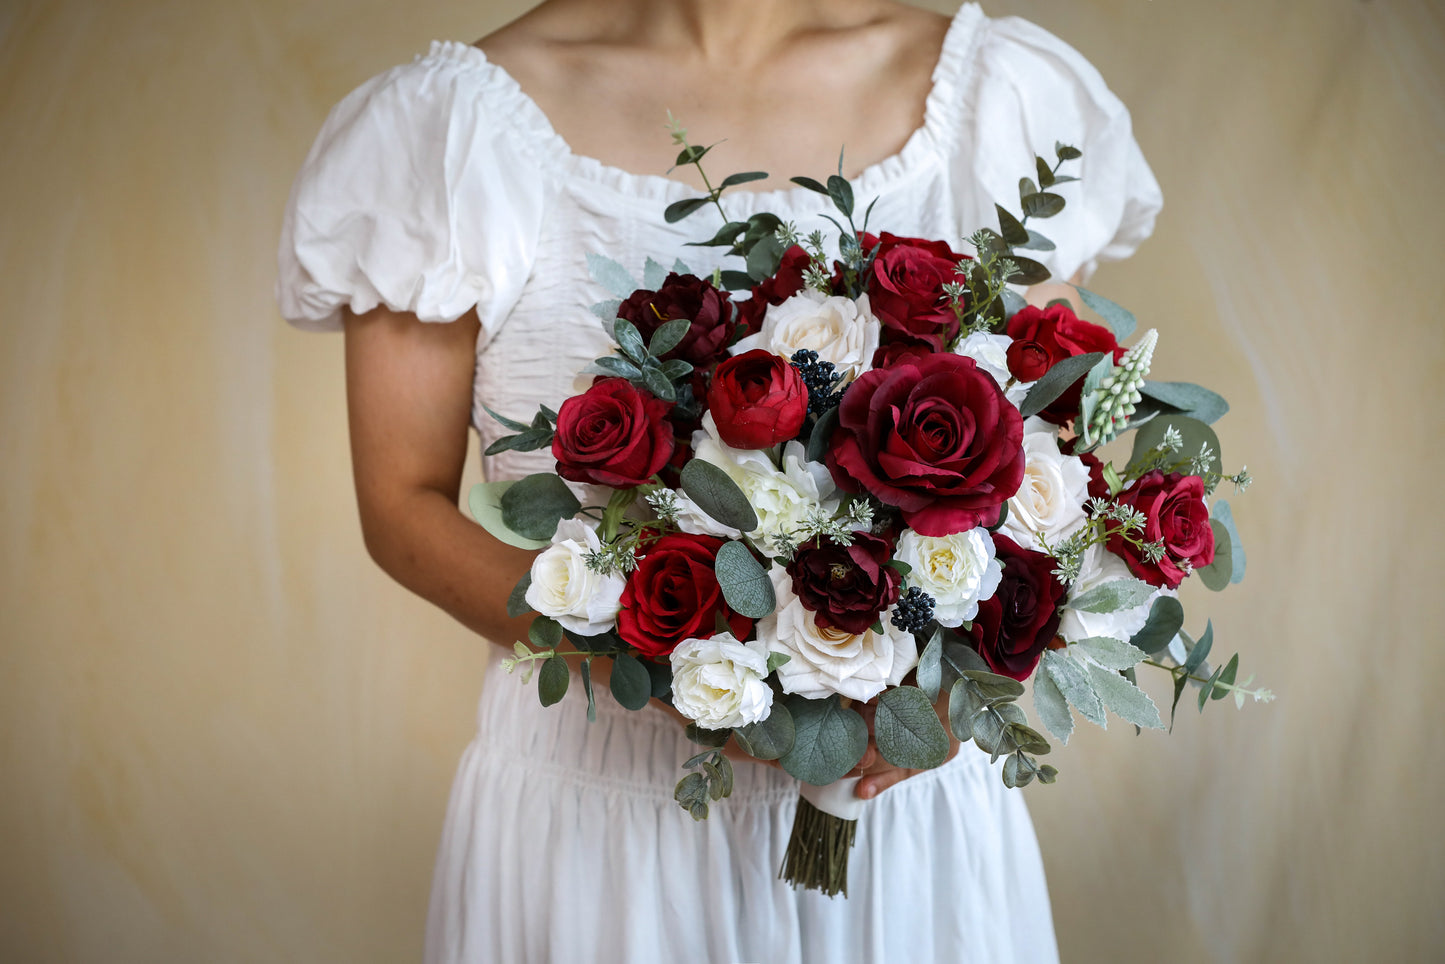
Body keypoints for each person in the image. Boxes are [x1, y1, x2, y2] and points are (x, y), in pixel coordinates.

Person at [276, 1, 1162, 960]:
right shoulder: (448, 131)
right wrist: (671, 675)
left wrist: (959, 692)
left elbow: (1057, 468)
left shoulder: (1002, 100)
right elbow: (401, 507)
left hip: (900, 823)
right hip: (598, 828)